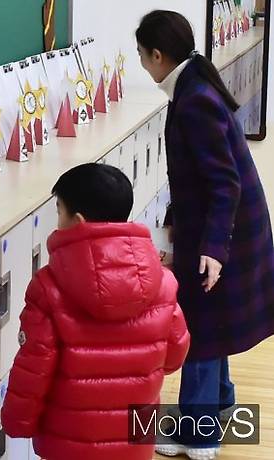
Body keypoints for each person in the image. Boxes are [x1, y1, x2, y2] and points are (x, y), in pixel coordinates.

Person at [136, 9, 274, 459]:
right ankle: (221, 406)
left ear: (158, 55)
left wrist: (213, 249)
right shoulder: (191, 83)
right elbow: (195, 175)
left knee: (200, 326)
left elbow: (223, 182)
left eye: (142, 55)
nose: (142, 64)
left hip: (226, 229)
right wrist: (177, 217)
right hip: (225, 224)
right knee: (216, 323)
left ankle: (199, 435)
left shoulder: (194, 99)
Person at [0, 163, 190, 460]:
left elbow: (34, 369)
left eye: (59, 211)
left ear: (77, 220)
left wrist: (16, 421)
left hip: (68, 441)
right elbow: (176, 354)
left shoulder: (48, 288)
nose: (57, 220)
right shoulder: (163, 283)